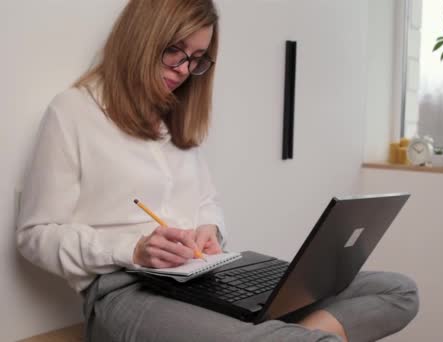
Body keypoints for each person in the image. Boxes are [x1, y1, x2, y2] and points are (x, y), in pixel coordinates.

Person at [16, 0, 419, 341]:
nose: (183, 70)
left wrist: (210, 231)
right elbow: (35, 236)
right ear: (142, 36)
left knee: (399, 290)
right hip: (126, 291)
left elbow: (205, 202)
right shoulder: (74, 112)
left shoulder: (174, 121)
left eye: (196, 59)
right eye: (174, 50)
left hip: (207, 277)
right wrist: (133, 250)